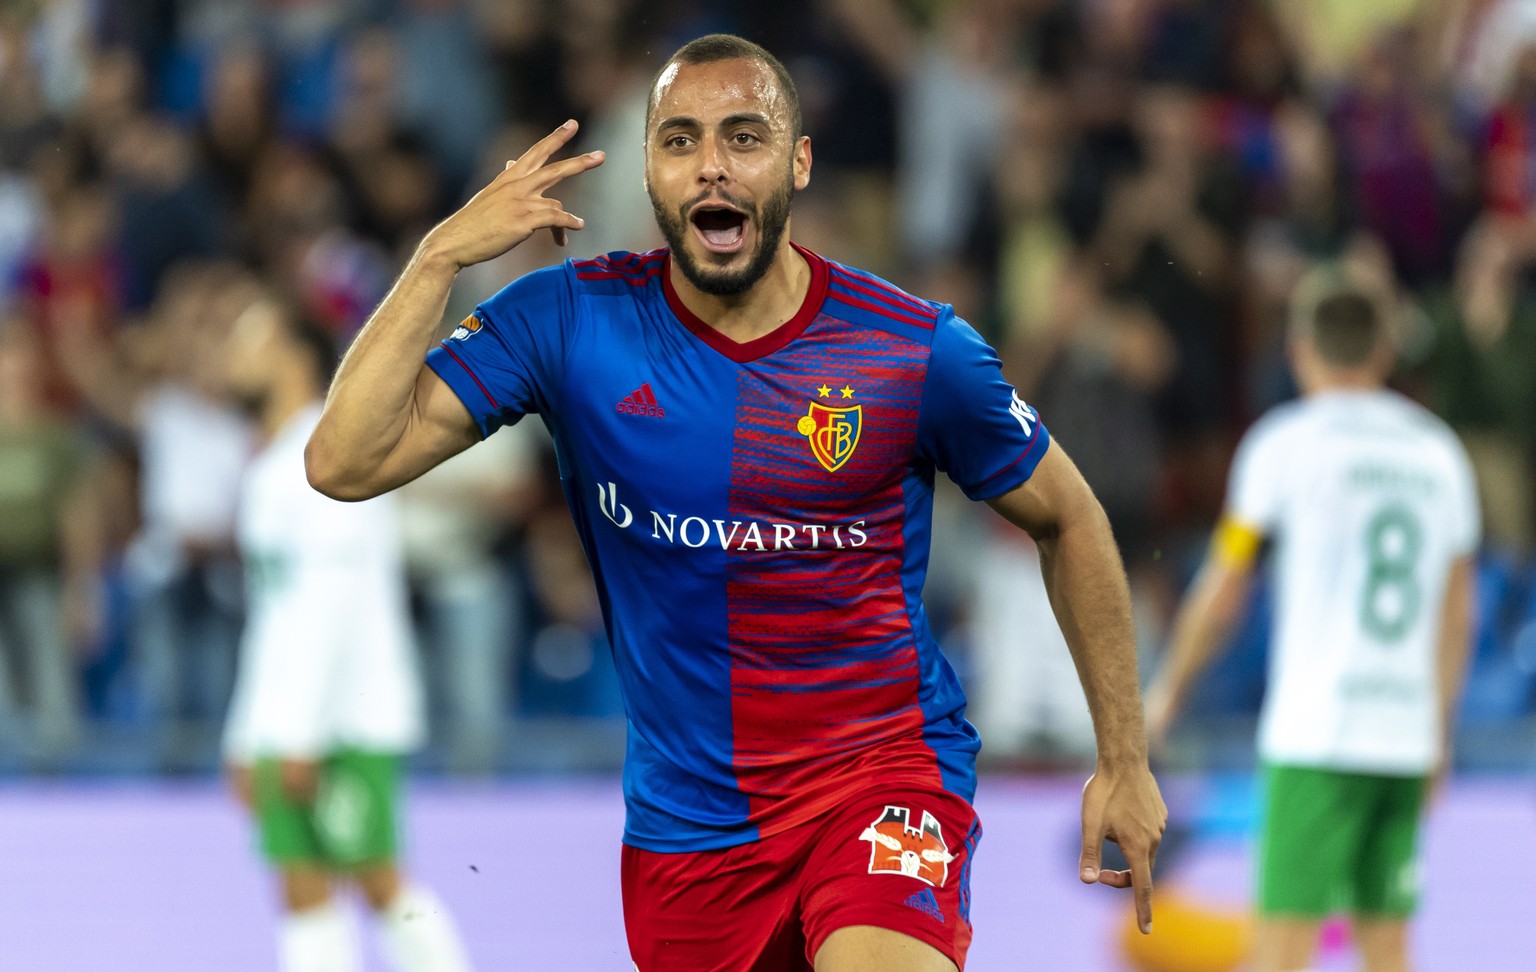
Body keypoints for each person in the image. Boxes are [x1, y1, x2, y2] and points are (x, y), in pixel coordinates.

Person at [306, 33, 1165, 972]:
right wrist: (438, 259)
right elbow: (344, 463)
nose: (710, 165)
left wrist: (1123, 758)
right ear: (647, 170)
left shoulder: (913, 351)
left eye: (743, 137)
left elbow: (1068, 516)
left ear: (798, 161)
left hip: (880, 777)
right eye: (678, 141)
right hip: (693, 831)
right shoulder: (567, 323)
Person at [1145, 280, 1479, 972]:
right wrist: (1440, 728)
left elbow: (1226, 587)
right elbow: (1458, 611)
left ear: (1300, 350)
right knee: (1387, 947)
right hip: (1403, 734)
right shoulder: (1439, 455)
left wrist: (1167, 692)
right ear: (1385, 350)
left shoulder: (1282, 447)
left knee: (1281, 950)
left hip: (1316, 735)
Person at [220, 297, 471, 972]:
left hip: (348, 717)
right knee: (299, 886)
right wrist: (250, 731)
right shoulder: (269, 468)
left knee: (378, 879)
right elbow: (274, 613)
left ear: (295, 357)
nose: (232, 353)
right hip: (290, 721)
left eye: (252, 336)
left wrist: (296, 730)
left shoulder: (329, 458)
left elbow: (327, 609)